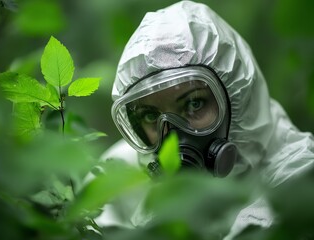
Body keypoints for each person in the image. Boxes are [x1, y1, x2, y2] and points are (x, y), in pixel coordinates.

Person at [96, 1, 314, 238]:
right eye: (150, 115)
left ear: (236, 98)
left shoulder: (298, 183)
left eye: (194, 104)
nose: (172, 138)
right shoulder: (119, 182)